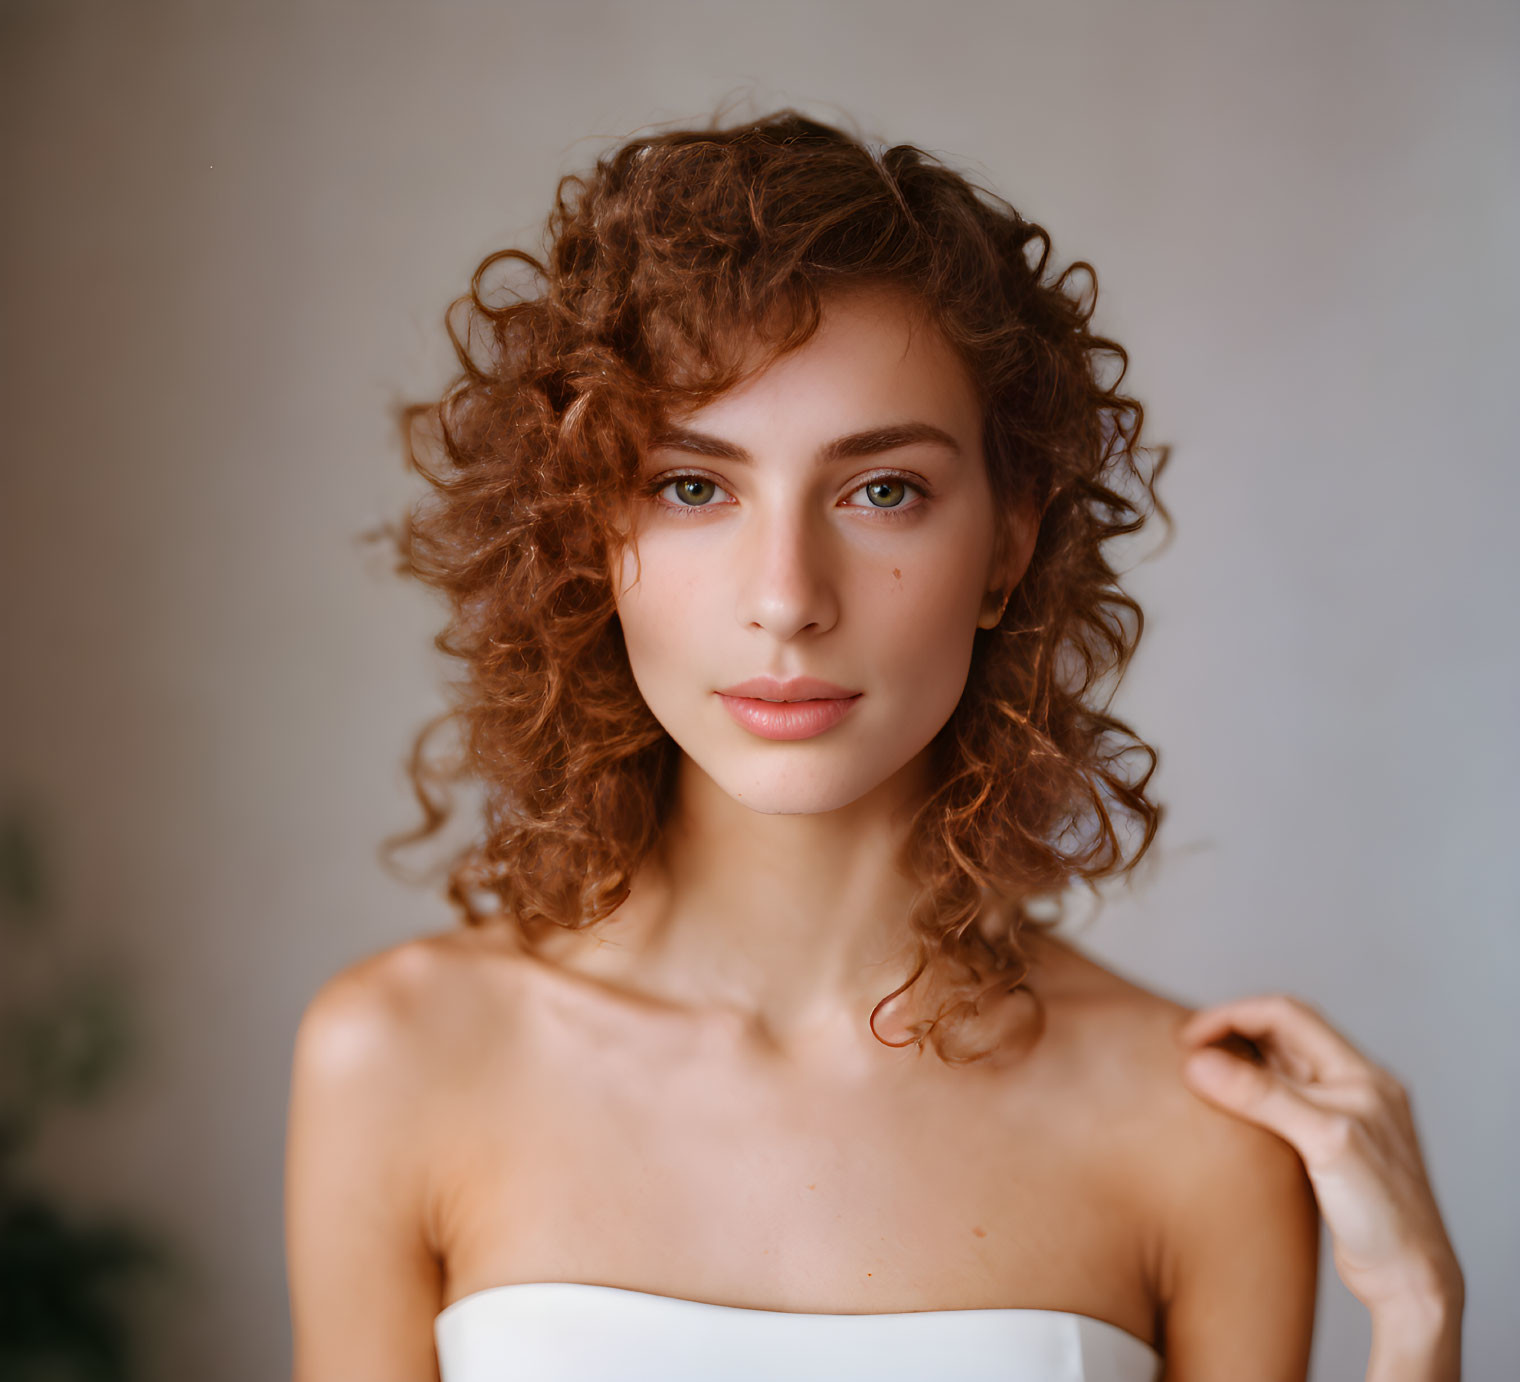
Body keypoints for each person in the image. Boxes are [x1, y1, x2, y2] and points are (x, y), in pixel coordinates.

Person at [283, 111, 1463, 1381]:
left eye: (879, 488)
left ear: (1008, 543)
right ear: (587, 537)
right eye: (693, 486)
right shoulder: (398, 1056)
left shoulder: (1194, 1131)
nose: (787, 596)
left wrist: (1413, 1317)